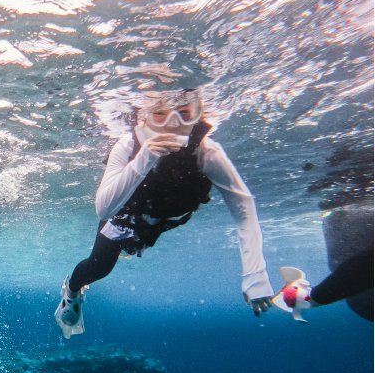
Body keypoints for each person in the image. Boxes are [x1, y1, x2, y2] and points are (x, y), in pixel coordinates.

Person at [55, 89, 274, 337]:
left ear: (197, 116)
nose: (172, 125)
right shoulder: (128, 146)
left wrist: (256, 275)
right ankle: (71, 291)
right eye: (160, 114)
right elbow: (104, 208)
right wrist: (146, 155)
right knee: (100, 267)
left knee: (123, 252)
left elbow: (244, 211)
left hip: (159, 221)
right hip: (123, 217)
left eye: (183, 115)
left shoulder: (207, 152)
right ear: (144, 117)